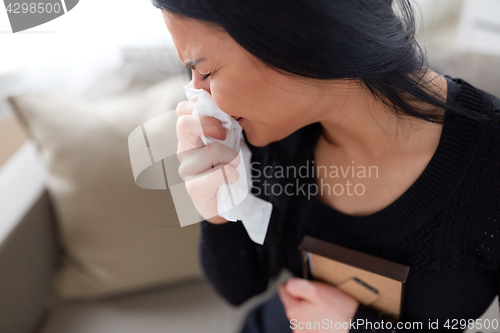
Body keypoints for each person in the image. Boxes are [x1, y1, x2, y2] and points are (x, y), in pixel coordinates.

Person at [153, 0, 500, 332]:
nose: (198, 95)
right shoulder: (268, 132)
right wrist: (216, 208)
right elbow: (238, 288)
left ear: (286, 34)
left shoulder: (490, 166)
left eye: (205, 71)